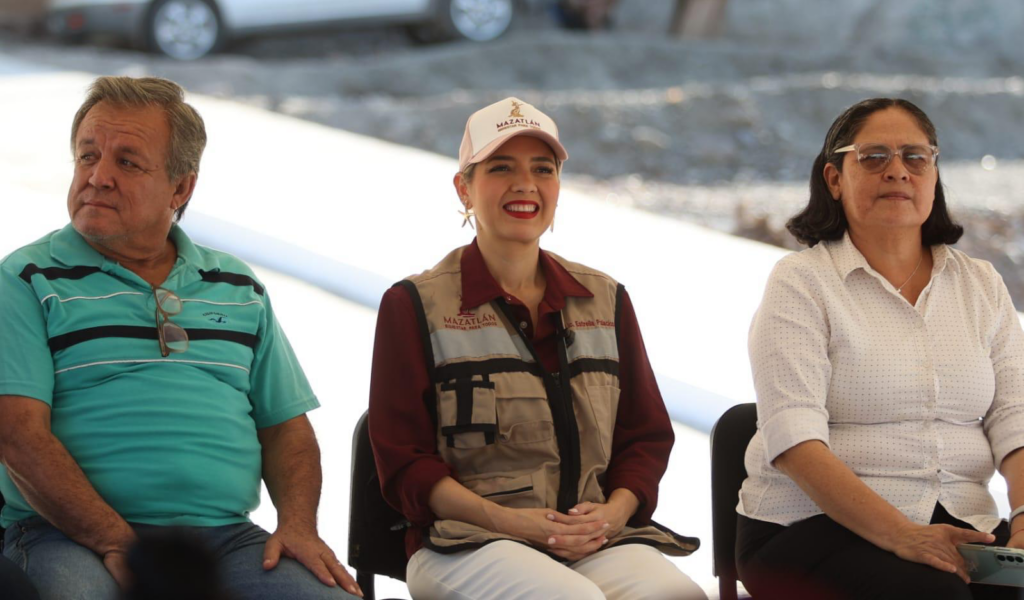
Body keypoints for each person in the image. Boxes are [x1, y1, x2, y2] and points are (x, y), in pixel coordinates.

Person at [0, 77, 361, 600]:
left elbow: (286, 427)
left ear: (180, 188)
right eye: (87, 156)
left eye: (127, 162)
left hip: (225, 539)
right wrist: (115, 541)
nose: (98, 177)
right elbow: (17, 434)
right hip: (67, 535)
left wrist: (298, 525)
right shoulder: (26, 277)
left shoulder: (236, 284)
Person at [368, 96, 705, 599]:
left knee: (677, 596)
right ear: (464, 188)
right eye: (501, 167)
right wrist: (511, 522)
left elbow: (645, 435)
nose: (525, 184)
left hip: (594, 539)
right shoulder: (413, 305)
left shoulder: (605, 298)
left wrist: (613, 514)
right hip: (467, 542)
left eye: (542, 169)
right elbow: (404, 462)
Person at [736, 97, 1024, 600]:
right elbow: (794, 438)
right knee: (935, 595)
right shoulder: (801, 283)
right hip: (809, 527)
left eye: (915, 157)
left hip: (961, 522)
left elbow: (1014, 419)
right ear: (834, 179)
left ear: (934, 173)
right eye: (873, 157)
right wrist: (902, 534)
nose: (898, 171)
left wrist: (1021, 521)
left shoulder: (980, 284)